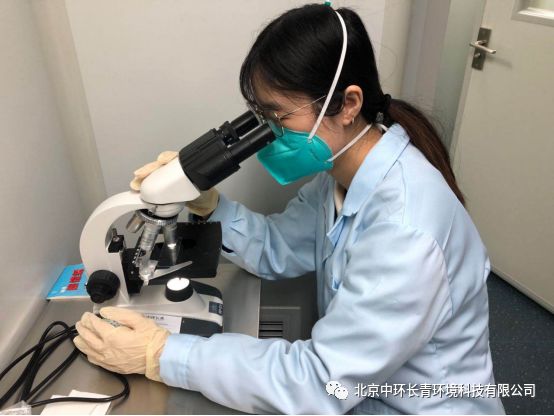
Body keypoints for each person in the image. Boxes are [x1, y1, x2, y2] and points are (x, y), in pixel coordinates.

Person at [74, 4, 506, 414]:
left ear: (348, 105)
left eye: (278, 117)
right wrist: (210, 206)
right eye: (261, 117)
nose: (270, 133)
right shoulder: (339, 175)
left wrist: (163, 353)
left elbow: (320, 383)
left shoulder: (406, 230)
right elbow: (277, 247)